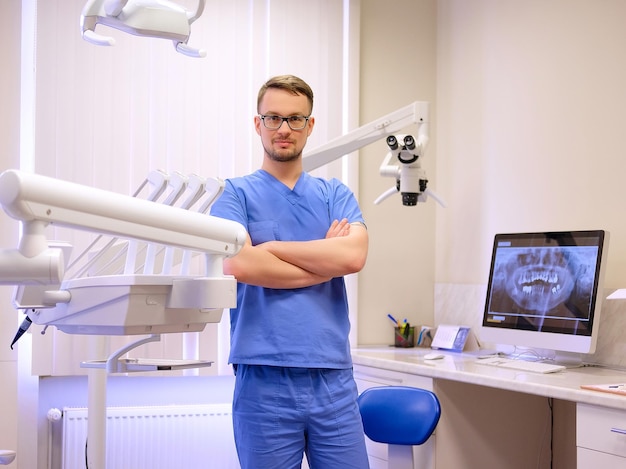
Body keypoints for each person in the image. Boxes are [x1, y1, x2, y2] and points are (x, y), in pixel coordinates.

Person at [210, 75, 370, 469]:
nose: (284, 129)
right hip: (263, 377)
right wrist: (322, 261)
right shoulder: (232, 194)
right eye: (274, 118)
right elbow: (240, 264)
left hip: (332, 376)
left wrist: (273, 250)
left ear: (310, 125)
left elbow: (352, 258)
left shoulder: (336, 194)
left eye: (296, 119)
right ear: (257, 123)